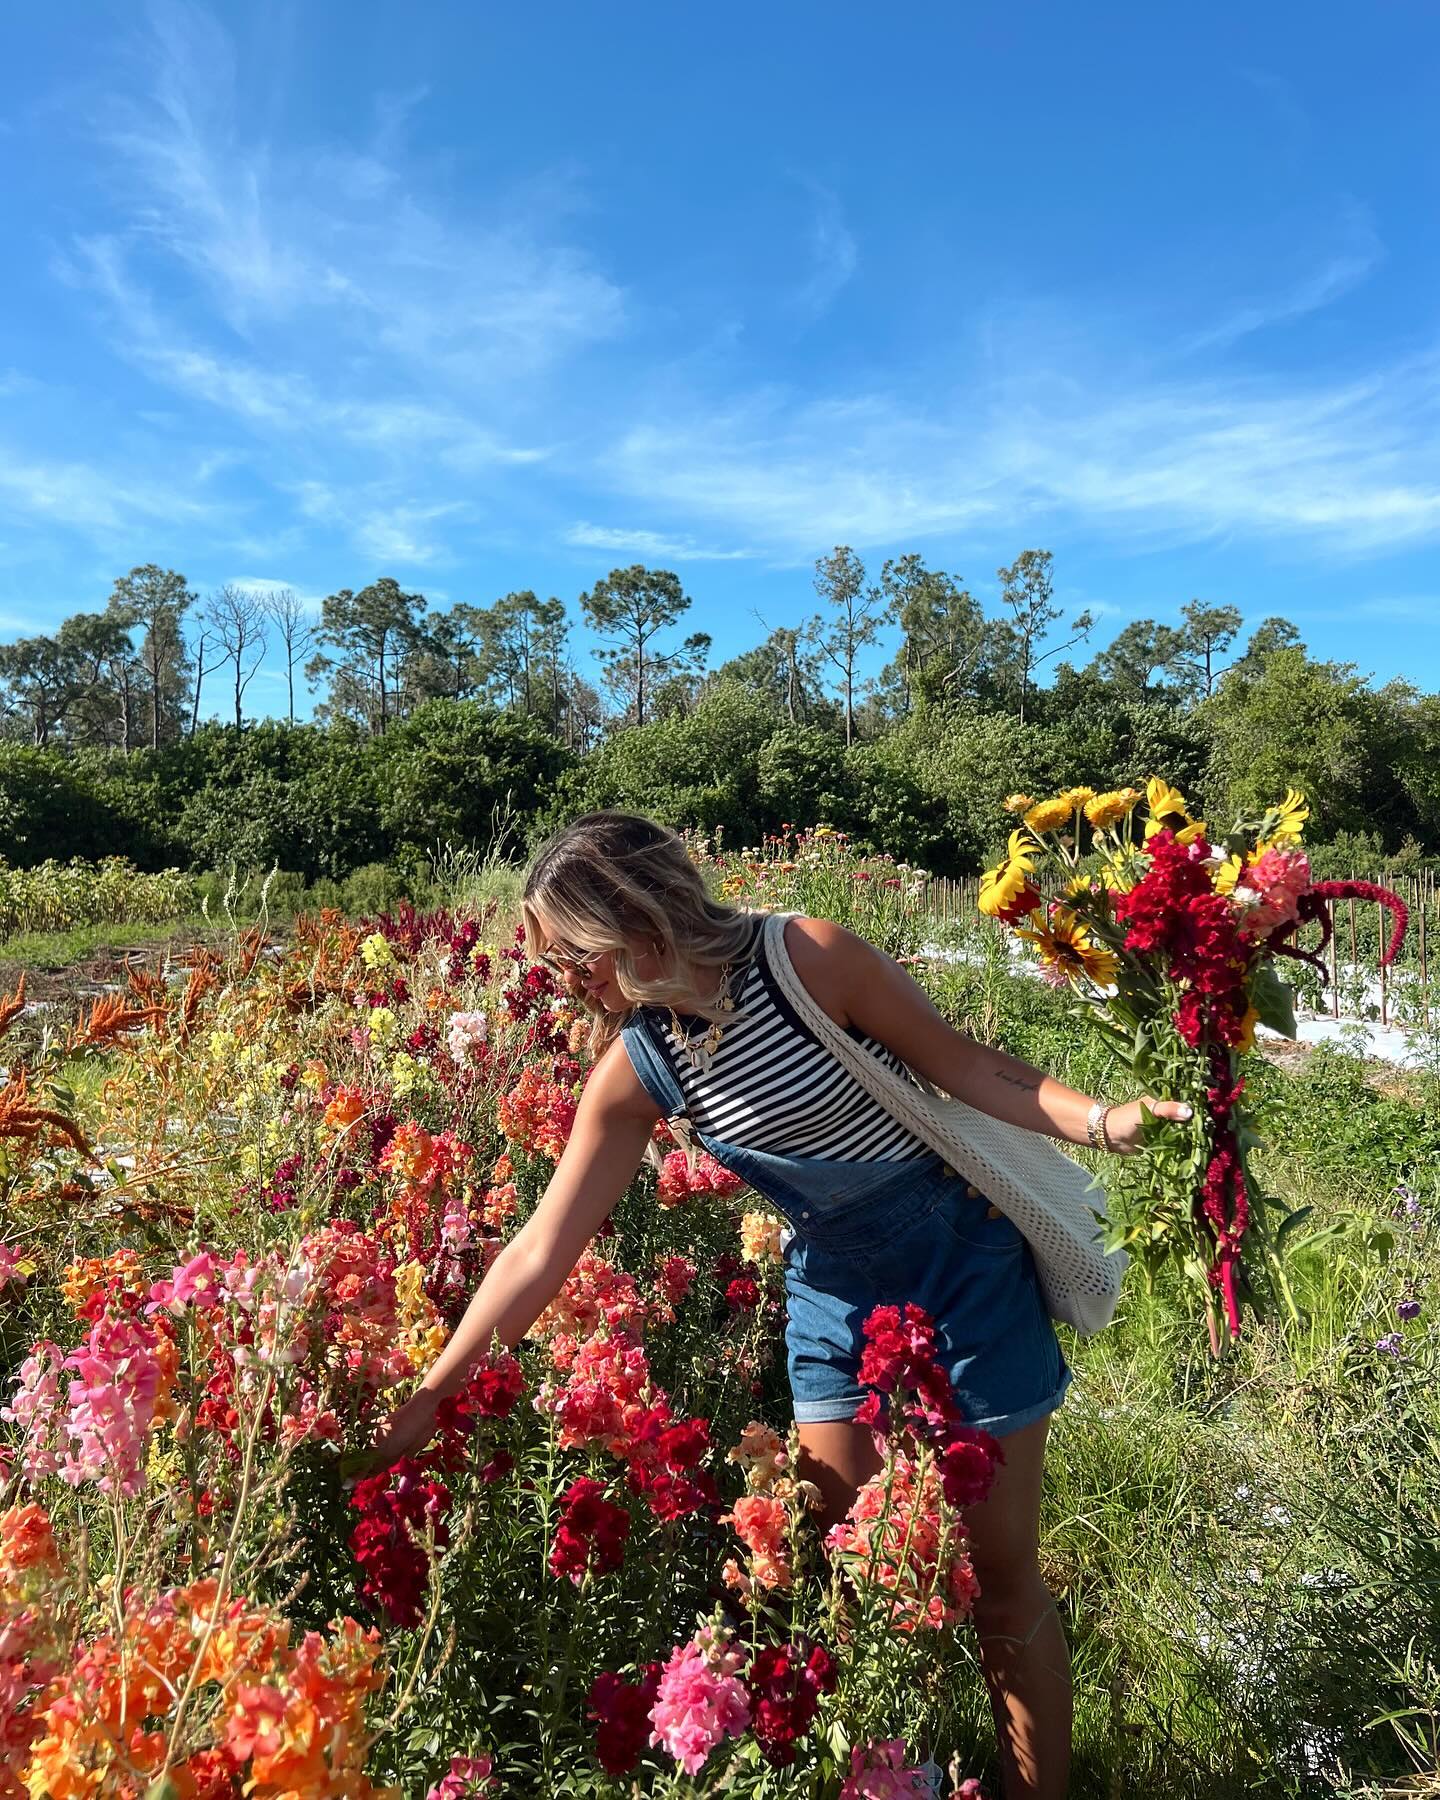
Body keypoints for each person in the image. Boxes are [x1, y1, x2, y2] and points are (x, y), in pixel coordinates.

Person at [373, 811, 1192, 1799]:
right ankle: (900, 1782)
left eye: (571, 953)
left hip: (964, 1265)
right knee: (850, 1574)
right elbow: (542, 1248)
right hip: (834, 1296)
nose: (561, 978)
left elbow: (965, 1064)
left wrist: (1105, 1121)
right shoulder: (641, 1065)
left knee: (1001, 1577)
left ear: (635, 917)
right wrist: (436, 1392)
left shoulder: (807, 956)